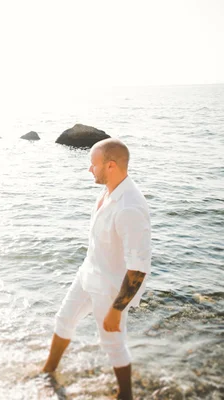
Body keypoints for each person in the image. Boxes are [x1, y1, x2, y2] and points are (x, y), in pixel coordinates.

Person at [42, 139, 151, 400]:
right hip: (88, 274)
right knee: (64, 320)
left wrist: (116, 309)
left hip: (110, 288)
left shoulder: (130, 208)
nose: (90, 170)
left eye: (94, 165)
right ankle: (47, 372)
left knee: (113, 343)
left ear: (111, 166)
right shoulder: (108, 191)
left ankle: (125, 396)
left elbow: (138, 269)